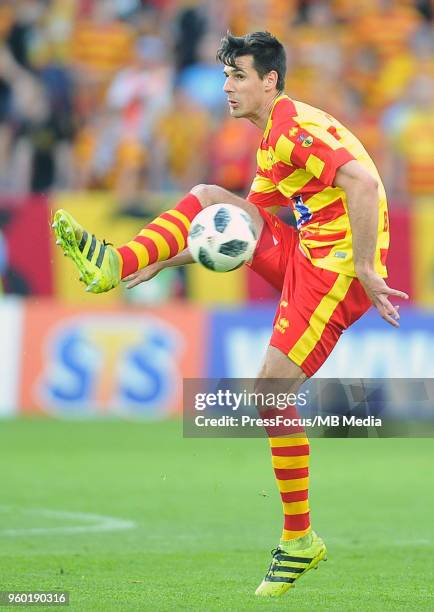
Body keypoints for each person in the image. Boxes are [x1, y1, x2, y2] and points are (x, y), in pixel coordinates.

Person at [53, 32, 408, 598]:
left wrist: (367, 266)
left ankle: (300, 541)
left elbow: (364, 182)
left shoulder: (289, 131)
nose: (227, 87)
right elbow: (237, 228)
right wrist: (166, 261)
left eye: (239, 76)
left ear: (270, 81)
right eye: (225, 76)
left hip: (334, 271)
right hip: (307, 253)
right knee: (211, 195)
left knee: (268, 390)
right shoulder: (273, 138)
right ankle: (117, 264)